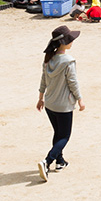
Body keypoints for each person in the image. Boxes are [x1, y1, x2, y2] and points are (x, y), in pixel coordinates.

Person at [36, 25, 85, 182]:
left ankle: (60, 161)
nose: (72, 42)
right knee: (64, 136)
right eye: (70, 39)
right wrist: (80, 99)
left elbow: (43, 79)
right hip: (63, 105)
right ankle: (47, 161)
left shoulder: (48, 59)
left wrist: (40, 97)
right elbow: (73, 82)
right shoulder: (68, 61)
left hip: (50, 104)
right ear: (63, 42)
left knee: (58, 134)